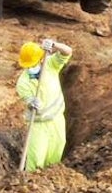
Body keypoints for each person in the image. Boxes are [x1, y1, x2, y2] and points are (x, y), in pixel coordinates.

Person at [16, 38, 73, 171]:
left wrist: (55, 45)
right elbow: (27, 99)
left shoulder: (51, 64)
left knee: (54, 157)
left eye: (33, 64)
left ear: (41, 59)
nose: (30, 67)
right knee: (36, 158)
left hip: (57, 120)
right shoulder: (23, 82)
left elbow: (68, 51)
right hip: (38, 125)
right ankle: (29, 184)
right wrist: (31, 102)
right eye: (28, 66)